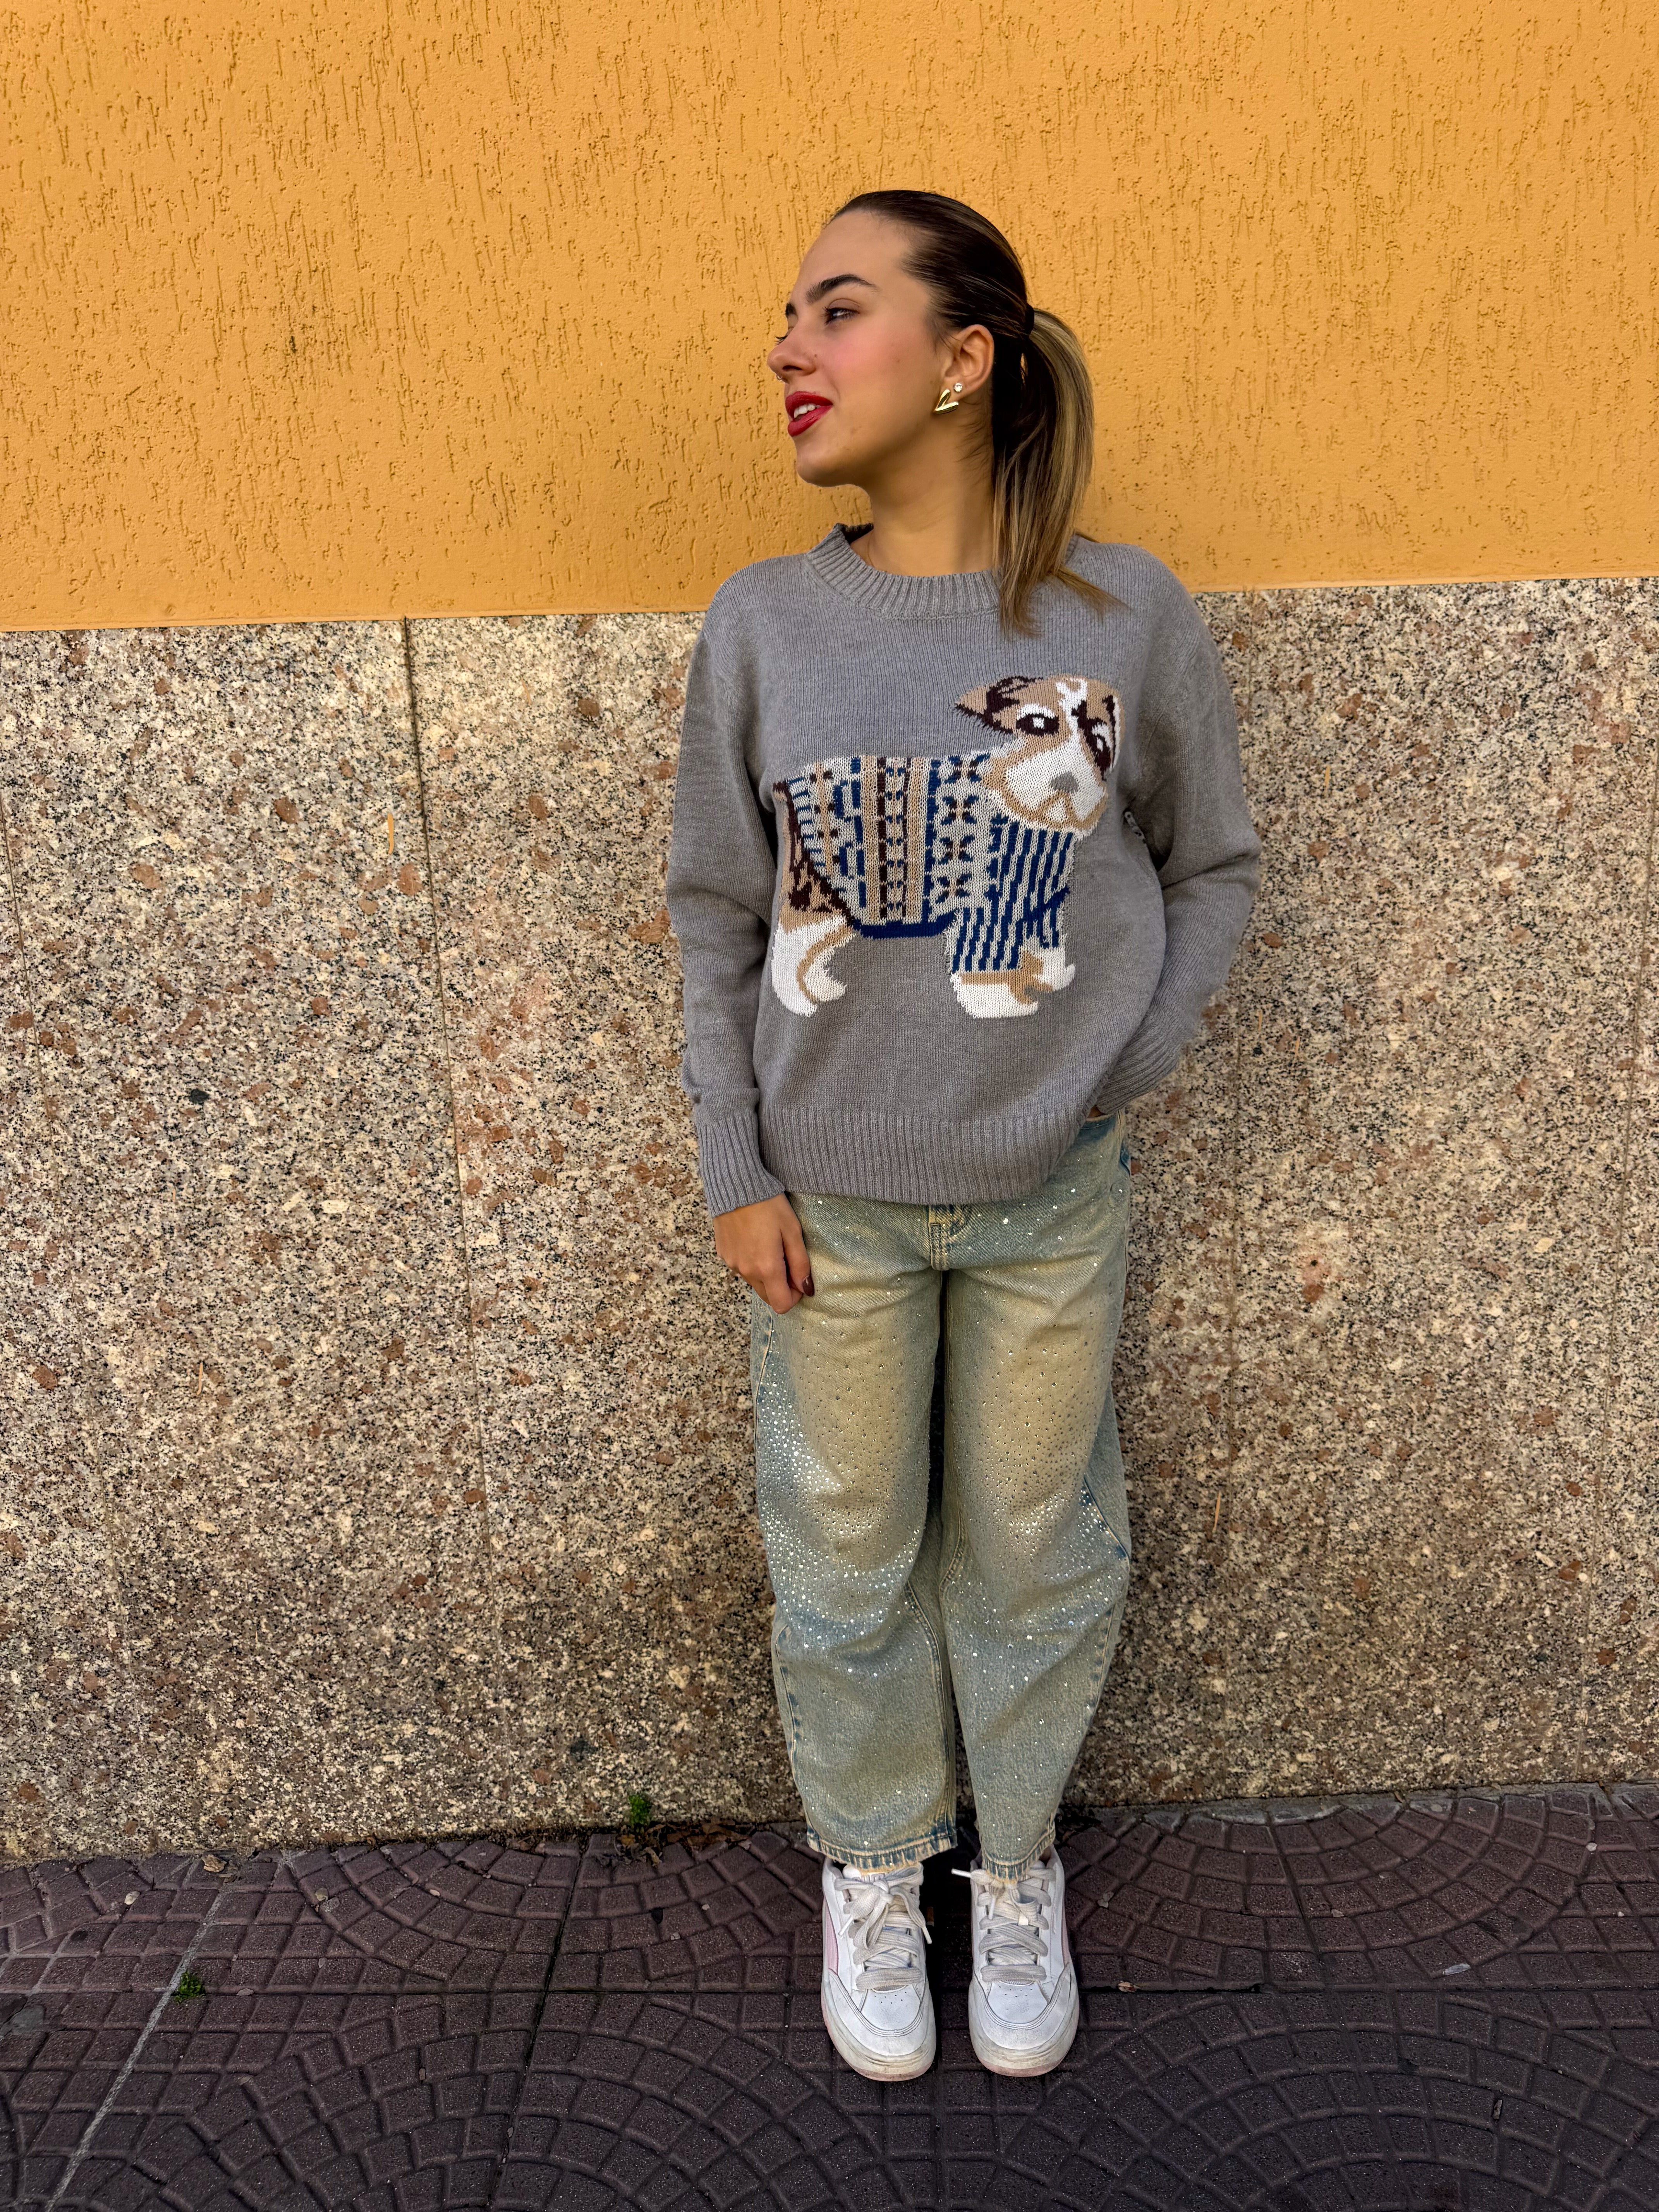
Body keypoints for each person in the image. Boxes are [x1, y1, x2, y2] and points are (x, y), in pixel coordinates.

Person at [664, 190, 1262, 2082]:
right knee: (845, 1556)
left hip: (1050, 1198)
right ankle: (872, 1865)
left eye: (838, 310)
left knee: (1037, 1545)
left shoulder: (1123, 615)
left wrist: (1112, 1067)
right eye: (791, 315)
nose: (789, 348)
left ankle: (1011, 1868)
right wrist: (737, 1164)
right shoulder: (767, 624)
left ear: (964, 359)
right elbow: (716, 911)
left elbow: (1215, 866)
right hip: (827, 1211)